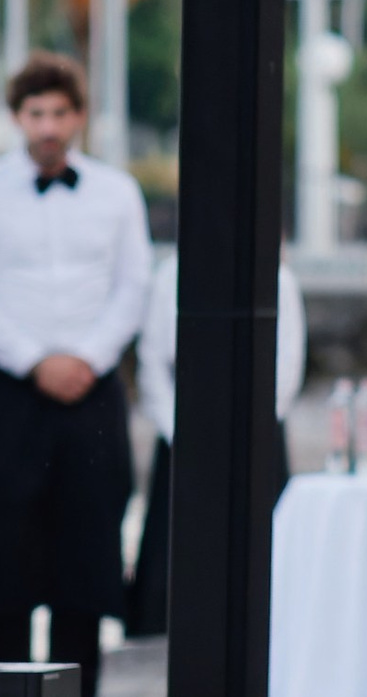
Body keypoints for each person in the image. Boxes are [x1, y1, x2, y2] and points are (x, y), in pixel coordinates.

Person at [0, 55, 151, 697]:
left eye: (61, 113)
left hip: (91, 393)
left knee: (87, 551)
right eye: (36, 114)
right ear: (16, 118)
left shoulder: (118, 193)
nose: (49, 126)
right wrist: (35, 361)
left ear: (79, 116)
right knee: (0, 548)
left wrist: (87, 358)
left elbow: (133, 285)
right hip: (9, 390)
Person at [124, 245, 307, 641]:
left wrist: (250, 430)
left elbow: (288, 363)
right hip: (182, 433)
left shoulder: (279, 278)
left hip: (258, 434)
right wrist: (183, 433)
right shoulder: (169, 274)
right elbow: (152, 360)